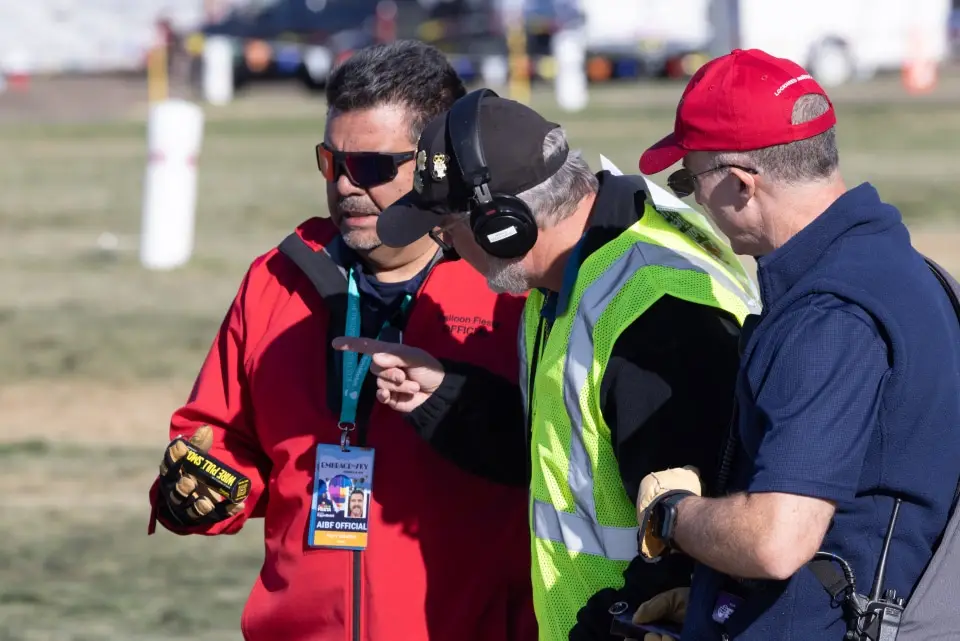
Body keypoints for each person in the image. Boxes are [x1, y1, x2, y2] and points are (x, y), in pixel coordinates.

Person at [332, 88, 762, 640]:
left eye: (447, 229)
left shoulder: (658, 315)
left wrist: (610, 626)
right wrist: (444, 395)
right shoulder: (563, 278)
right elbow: (563, 459)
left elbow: (697, 530)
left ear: (502, 223)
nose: (451, 250)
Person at [147, 42, 538, 641]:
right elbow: (217, 432)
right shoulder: (277, 278)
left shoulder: (511, 286)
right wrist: (207, 483)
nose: (348, 186)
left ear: (439, 163)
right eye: (332, 163)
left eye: (375, 168)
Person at [631, 48, 960, 640]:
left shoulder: (827, 318)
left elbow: (778, 540)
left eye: (689, 180)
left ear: (739, 184)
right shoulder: (908, 273)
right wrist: (713, 602)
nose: (696, 201)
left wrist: (675, 513)